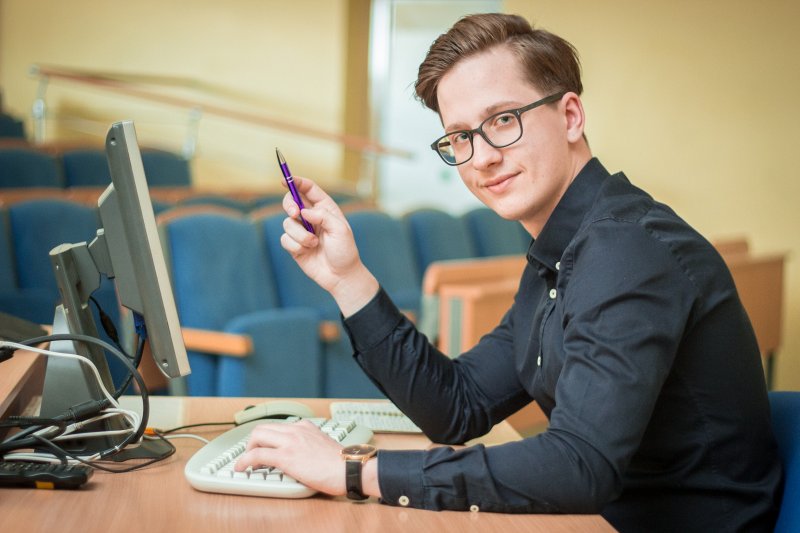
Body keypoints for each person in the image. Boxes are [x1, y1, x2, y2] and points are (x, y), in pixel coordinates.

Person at [235, 13, 782, 532]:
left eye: (503, 120)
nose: (481, 158)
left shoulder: (627, 252)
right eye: (460, 137)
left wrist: (355, 470)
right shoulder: (561, 250)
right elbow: (459, 405)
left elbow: (579, 465)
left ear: (570, 116)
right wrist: (346, 278)